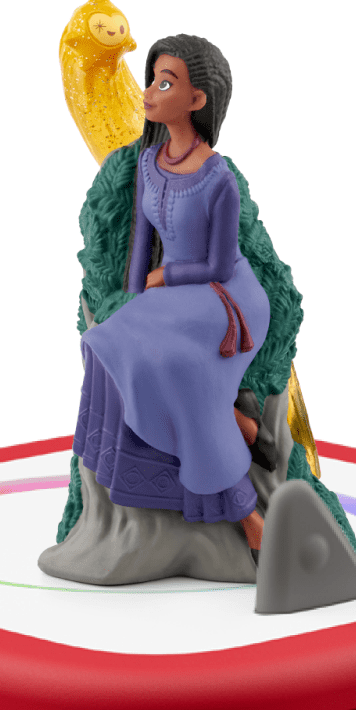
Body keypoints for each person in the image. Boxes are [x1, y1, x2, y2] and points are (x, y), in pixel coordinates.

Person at [72, 34, 270, 551]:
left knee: (179, 366)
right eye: (151, 80)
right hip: (172, 296)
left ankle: (244, 512)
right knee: (106, 341)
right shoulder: (149, 162)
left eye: (165, 83)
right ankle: (235, 426)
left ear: (197, 99)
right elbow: (142, 244)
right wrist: (135, 300)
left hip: (225, 298)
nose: (149, 93)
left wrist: (165, 278)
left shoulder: (217, 178)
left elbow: (220, 265)